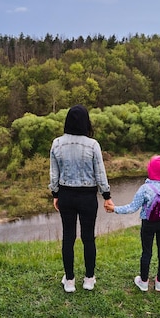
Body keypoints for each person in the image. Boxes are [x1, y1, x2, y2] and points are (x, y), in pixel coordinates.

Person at [49, 105, 114, 293]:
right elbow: (100, 174)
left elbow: (54, 174)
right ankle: (89, 279)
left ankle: (69, 281)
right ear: (86, 121)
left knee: (68, 237)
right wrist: (107, 196)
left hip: (66, 195)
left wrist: (55, 194)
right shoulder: (93, 145)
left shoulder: (57, 144)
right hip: (87, 197)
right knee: (88, 238)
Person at [107, 155, 160, 292]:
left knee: (146, 252)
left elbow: (132, 207)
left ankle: (143, 282)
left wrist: (114, 209)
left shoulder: (144, 188)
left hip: (148, 224)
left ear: (150, 170)